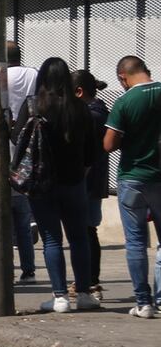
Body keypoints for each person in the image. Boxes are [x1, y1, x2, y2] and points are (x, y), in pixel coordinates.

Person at [12, 57, 97, 313]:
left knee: (51, 239)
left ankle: (59, 297)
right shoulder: (80, 108)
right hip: (74, 182)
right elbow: (92, 151)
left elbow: (18, 138)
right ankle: (83, 293)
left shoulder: (34, 106)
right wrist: (81, 171)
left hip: (42, 183)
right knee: (79, 237)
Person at [103, 55, 161, 319]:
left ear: (122, 77)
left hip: (132, 178)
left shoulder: (124, 102)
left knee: (136, 243)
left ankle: (143, 302)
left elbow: (109, 144)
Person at [5, 40, 39, 284]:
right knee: (23, 211)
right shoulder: (34, 74)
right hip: (28, 140)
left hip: (4, 143)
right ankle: (28, 268)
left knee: (3, 216)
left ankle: (4, 265)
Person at [73, 69, 109, 300]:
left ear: (78, 92)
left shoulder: (91, 115)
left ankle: (89, 282)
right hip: (92, 181)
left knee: (86, 231)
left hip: (87, 181)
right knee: (87, 231)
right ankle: (88, 281)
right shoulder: (98, 112)